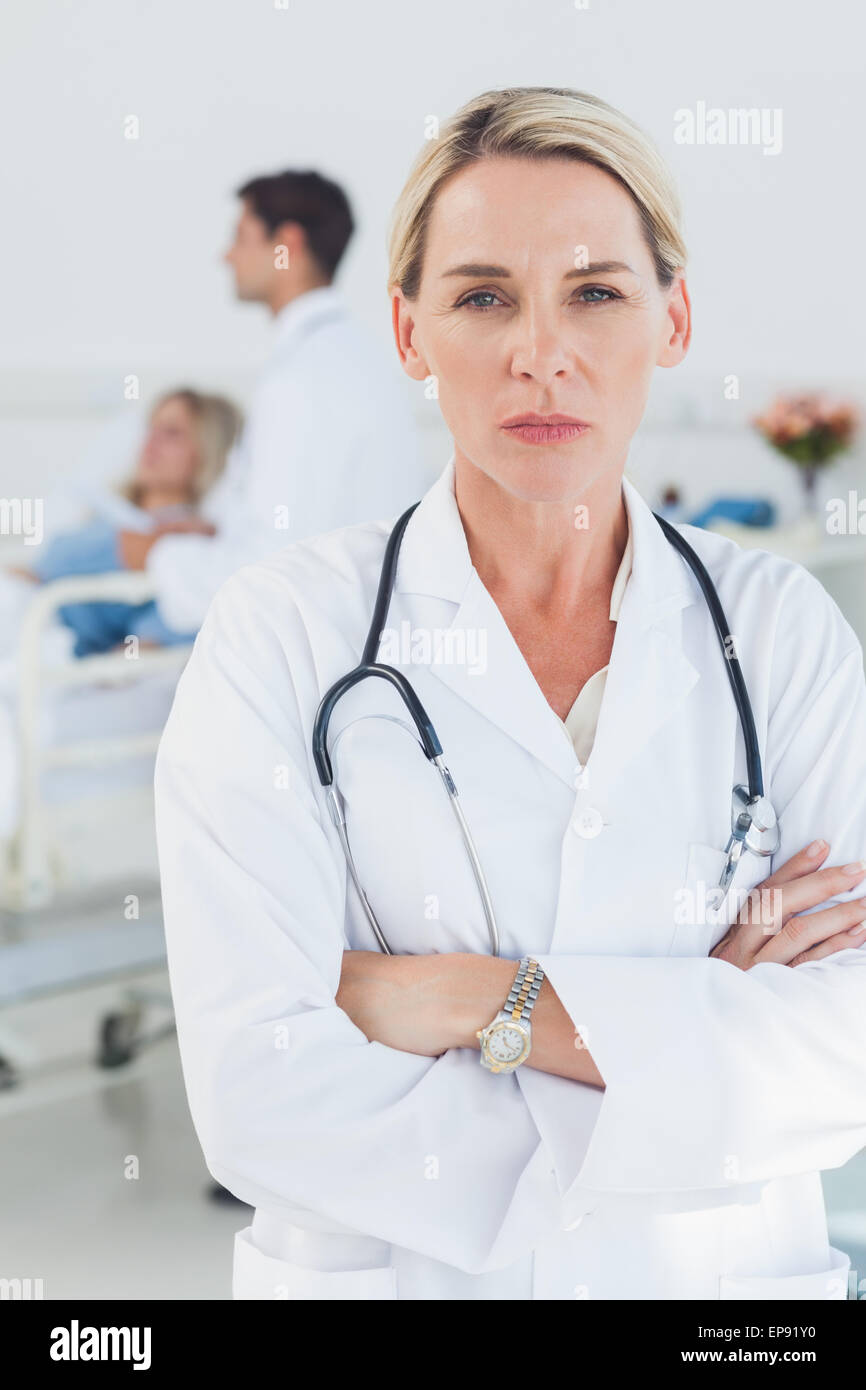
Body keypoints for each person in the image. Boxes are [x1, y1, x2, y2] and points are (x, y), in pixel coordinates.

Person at [153, 88, 866, 1301]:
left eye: (595, 291)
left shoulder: (777, 631)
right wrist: (680, 1037)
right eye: (482, 295)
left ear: (673, 316)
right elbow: (259, 1094)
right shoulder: (280, 636)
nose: (541, 348)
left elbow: (844, 1052)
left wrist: (478, 1003)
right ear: (407, 333)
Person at [137, 169, 428, 635]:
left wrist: (157, 556)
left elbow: (269, 566)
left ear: (285, 244)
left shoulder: (303, 378)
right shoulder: (353, 358)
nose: (226, 256)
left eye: (240, 236)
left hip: (310, 638)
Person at [7, 389, 241, 657]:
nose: (151, 442)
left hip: (50, 642)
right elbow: (46, 566)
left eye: (172, 433)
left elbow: (158, 634)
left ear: (207, 449)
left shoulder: (191, 547)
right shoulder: (103, 509)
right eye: (152, 428)